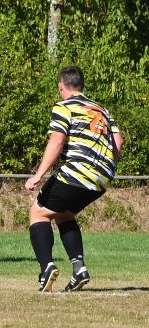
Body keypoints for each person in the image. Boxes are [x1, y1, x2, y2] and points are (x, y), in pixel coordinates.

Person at [25, 65, 123, 292]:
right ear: (81, 86)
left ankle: (46, 267)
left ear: (62, 87)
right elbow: (118, 142)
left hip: (77, 172)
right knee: (64, 214)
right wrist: (104, 164)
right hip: (102, 177)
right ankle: (79, 269)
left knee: (38, 213)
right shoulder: (101, 110)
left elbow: (57, 141)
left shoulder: (64, 106)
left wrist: (38, 174)